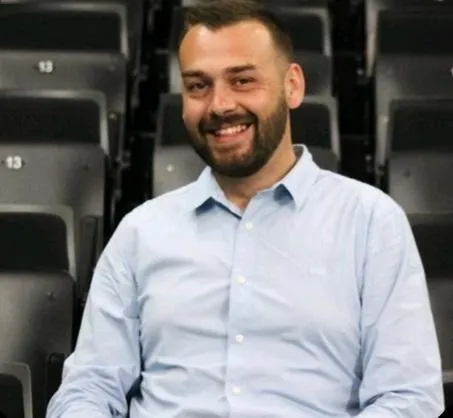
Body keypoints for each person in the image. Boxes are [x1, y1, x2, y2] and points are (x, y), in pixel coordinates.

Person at [46, 0, 444, 417]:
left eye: (242, 80)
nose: (219, 105)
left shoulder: (371, 222)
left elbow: (409, 399)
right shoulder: (140, 233)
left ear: (293, 86)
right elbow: (88, 388)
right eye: (198, 86)